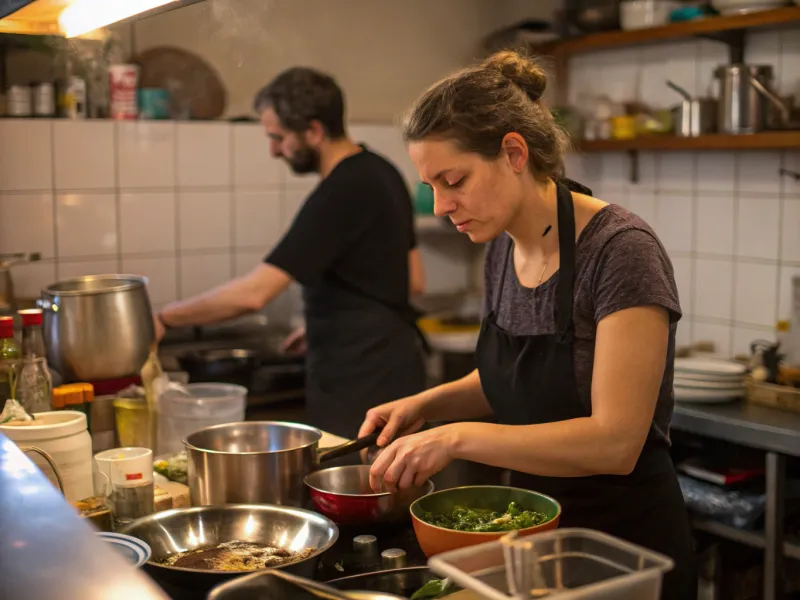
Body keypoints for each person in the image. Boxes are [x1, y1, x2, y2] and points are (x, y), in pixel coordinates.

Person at [359, 51, 697, 599]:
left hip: (623, 555)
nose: (443, 206)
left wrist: (455, 437)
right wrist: (427, 406)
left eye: (454, 181)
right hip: (533, 543)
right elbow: (514, 380)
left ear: (514, 152)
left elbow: (616, 441)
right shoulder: (500, 248)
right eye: (433, 187)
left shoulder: (619, 252)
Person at [155, 67, 427, 439]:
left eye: (278, 138)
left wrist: (166, 318)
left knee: (360, 491)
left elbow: (255, 294)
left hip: (360, 382)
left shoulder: (340, 191)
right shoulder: (383, 171)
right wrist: (330, 322)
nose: (273, 151)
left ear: (313, 131)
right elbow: (414, 279)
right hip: (392, 364)